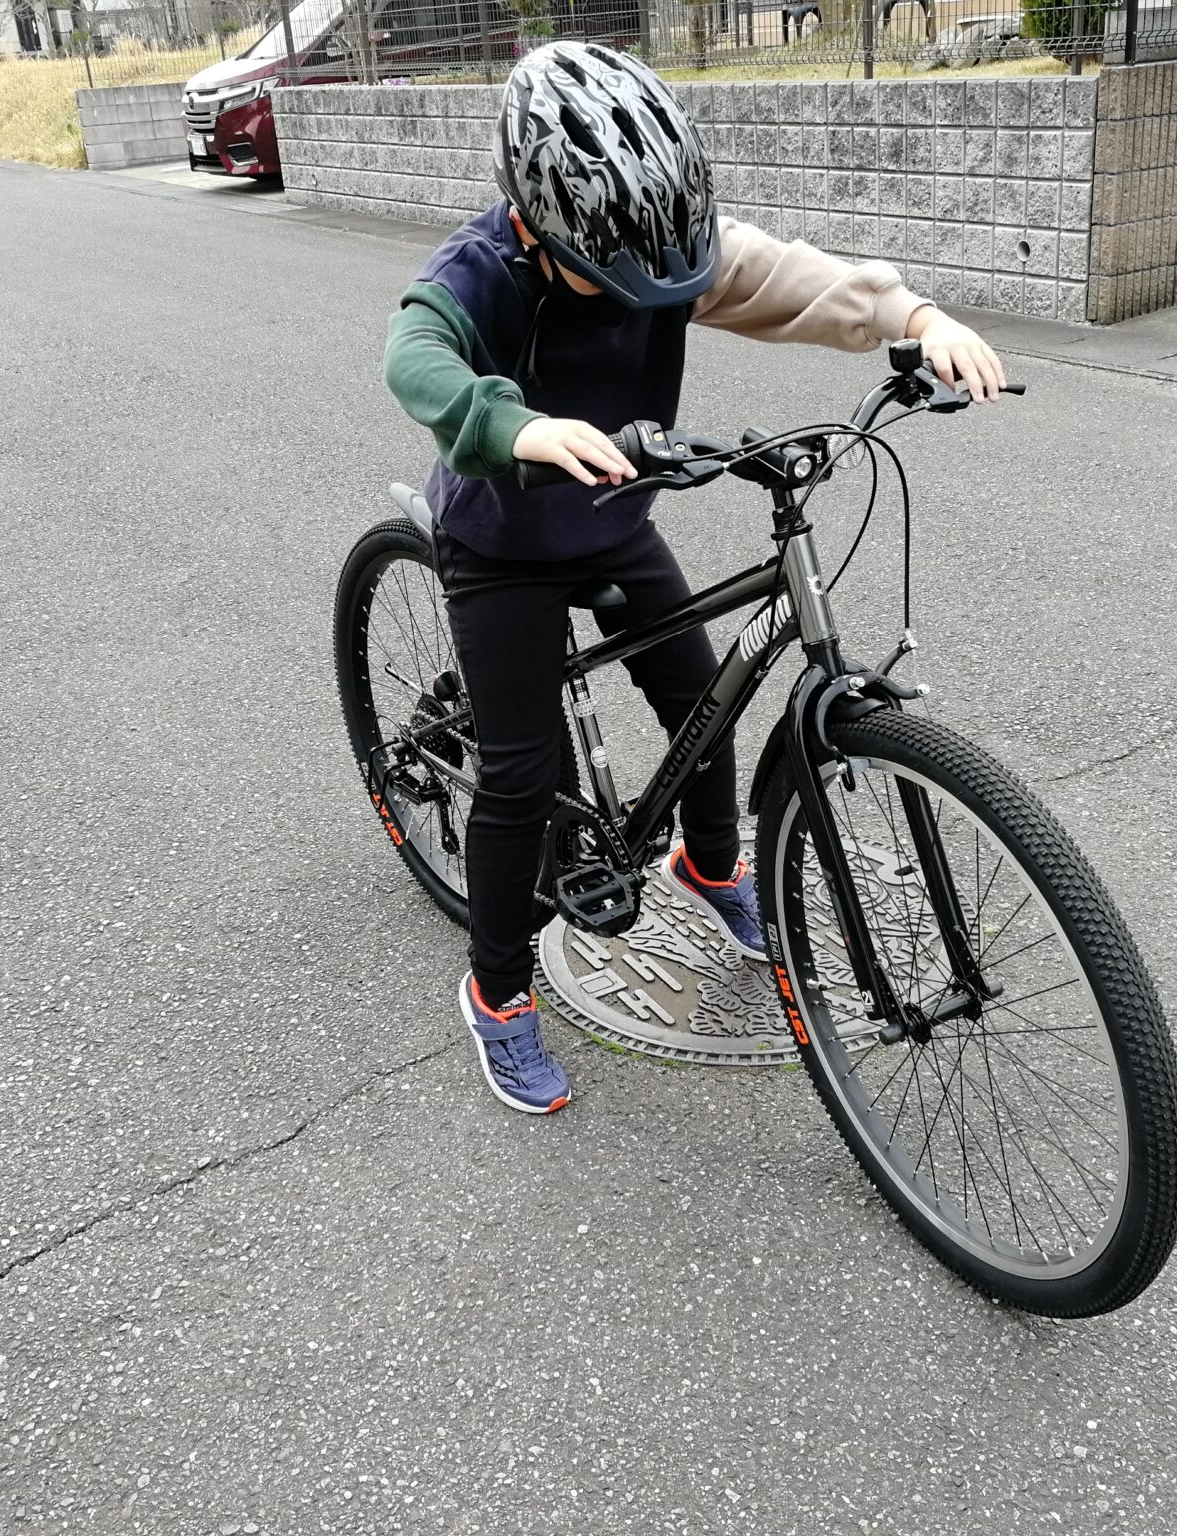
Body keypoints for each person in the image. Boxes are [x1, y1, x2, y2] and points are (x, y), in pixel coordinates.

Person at [382, 41, 1006, 1116]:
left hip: (613, 515)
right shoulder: (480, 269)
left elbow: (787, 278)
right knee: (521, 778)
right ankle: (495, 994)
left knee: (702, 700)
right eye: (614, 279)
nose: (643, 294)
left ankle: (710, 868)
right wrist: (515, 426)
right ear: (532, 218)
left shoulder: (656, 242)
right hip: (501, 542)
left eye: (661, 273)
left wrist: (915, 318)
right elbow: (415, 356)